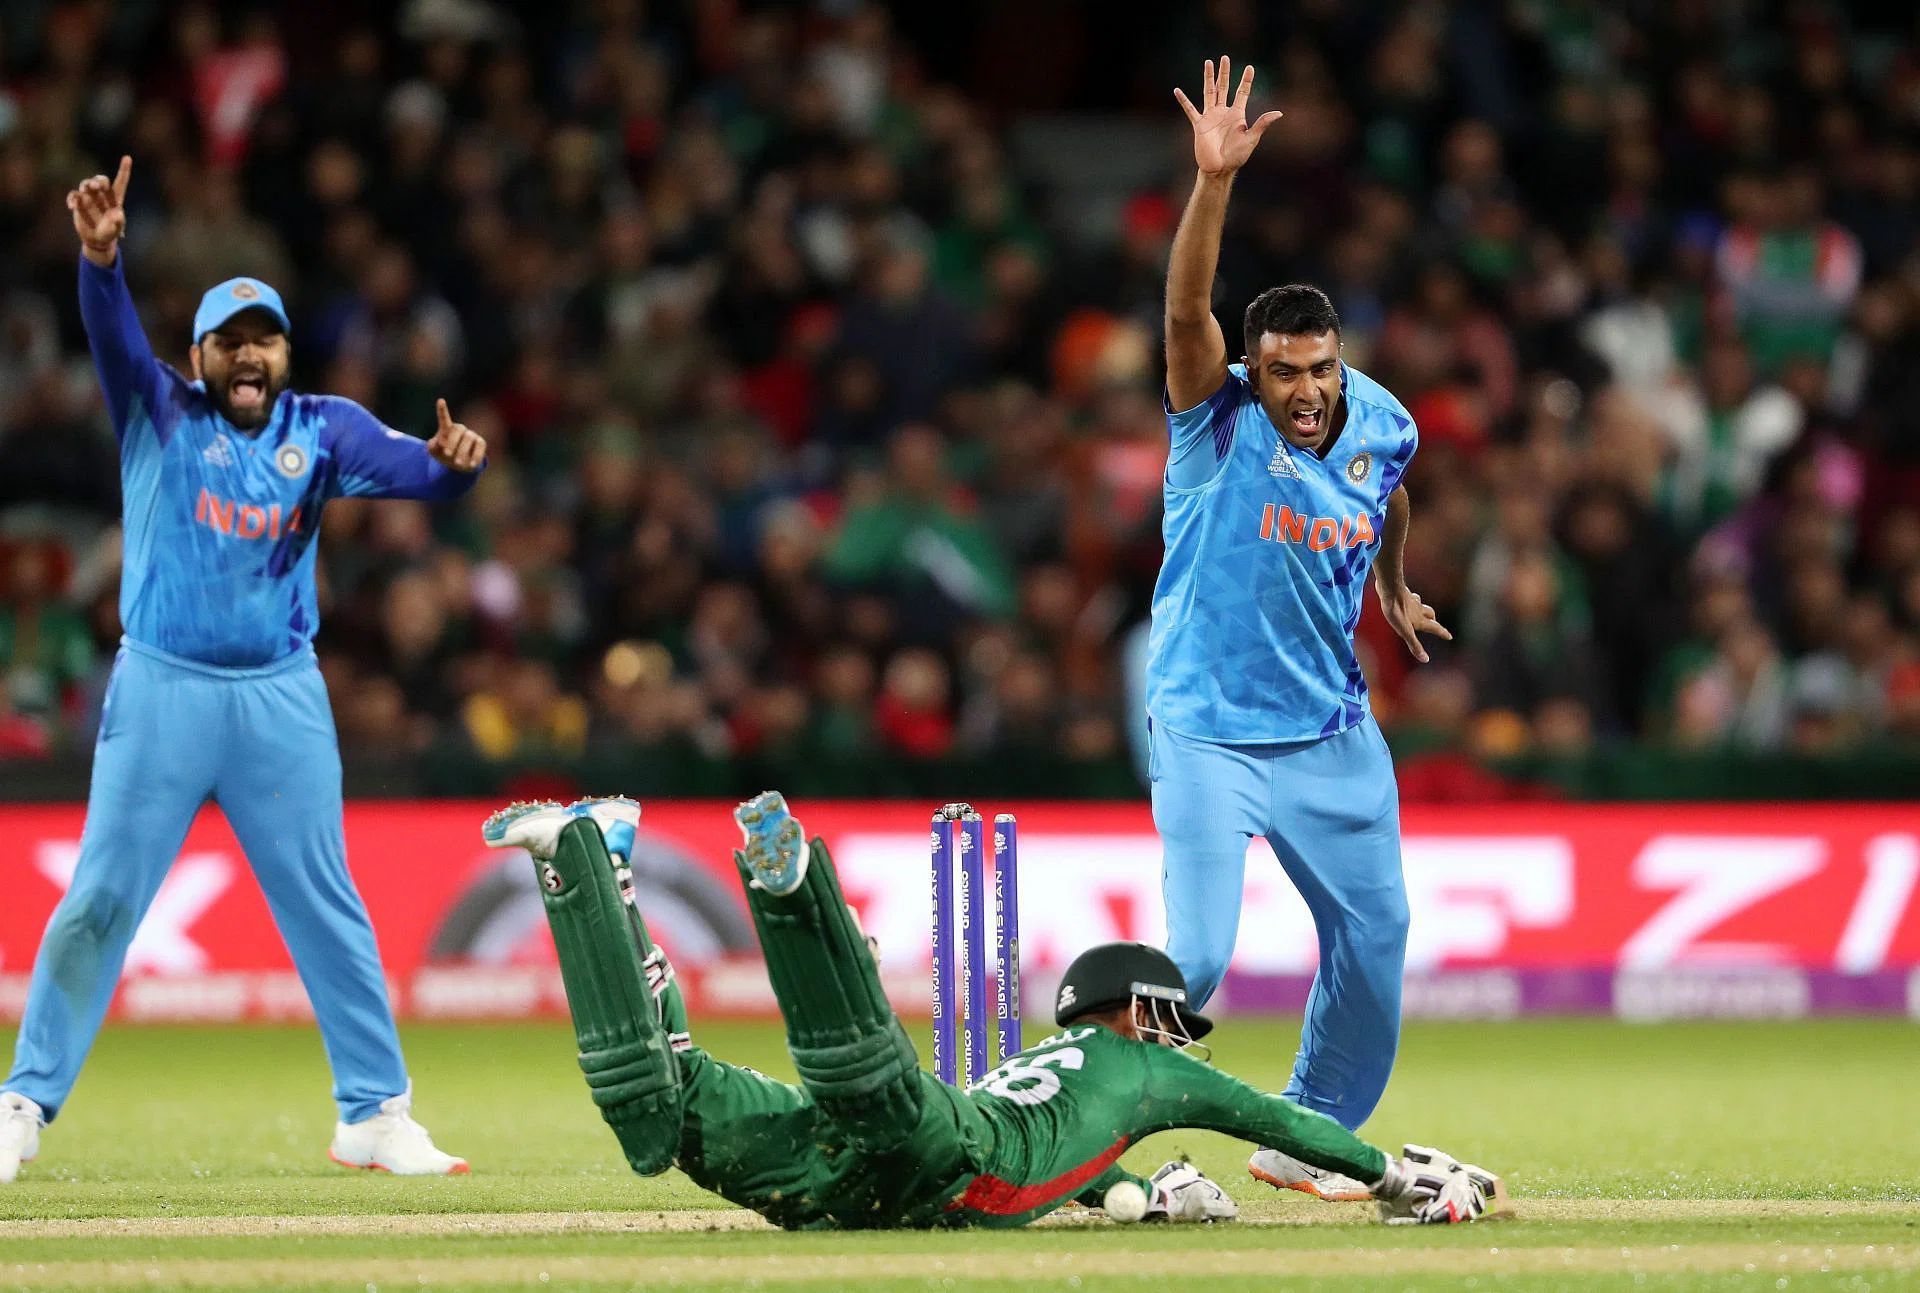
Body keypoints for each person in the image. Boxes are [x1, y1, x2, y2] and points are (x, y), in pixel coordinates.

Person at [0, 157, 486, 1183]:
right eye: (229, 343)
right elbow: (111, 334)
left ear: (285, 349)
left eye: (264, 337)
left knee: (327, 902)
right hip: (163, 687)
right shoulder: (157, 410)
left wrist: (453, 464)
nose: (249, 357)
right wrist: (100, 261)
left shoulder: (326, 429)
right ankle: (22, 1104)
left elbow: (423, 476)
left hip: (279, 696)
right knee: (99, 900)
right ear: (201, 356)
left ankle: (375, 1113)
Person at [481, 792, 1507, 1229]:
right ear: (1139, 1012)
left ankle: (588, 860)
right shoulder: (1151, 1067)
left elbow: (1068, 1155)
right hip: (935, 1160)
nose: (1175, 1036)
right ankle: (793, 890)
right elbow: (1280, 1124)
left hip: (862, 1182)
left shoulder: (1070, 1067)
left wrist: (1153, 1190)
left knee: (664, 1112)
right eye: (1167, 1020)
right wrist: (1391, 1174)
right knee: (859, 1072)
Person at [1149, 59, 1452, 1198]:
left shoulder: (1382, 422)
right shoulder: (1211, 417)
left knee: (1377, 942)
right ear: (1255, 371)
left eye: (1322, 369)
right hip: (1210, 731)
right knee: (1195, 962)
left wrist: (1393, 586)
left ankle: (1306, 1135)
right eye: (1285, 374)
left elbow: (1391, 492)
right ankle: (1079, 1127)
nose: (1309, 392)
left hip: (1330, 733)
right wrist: (1214, 184)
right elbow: (1186, 311)